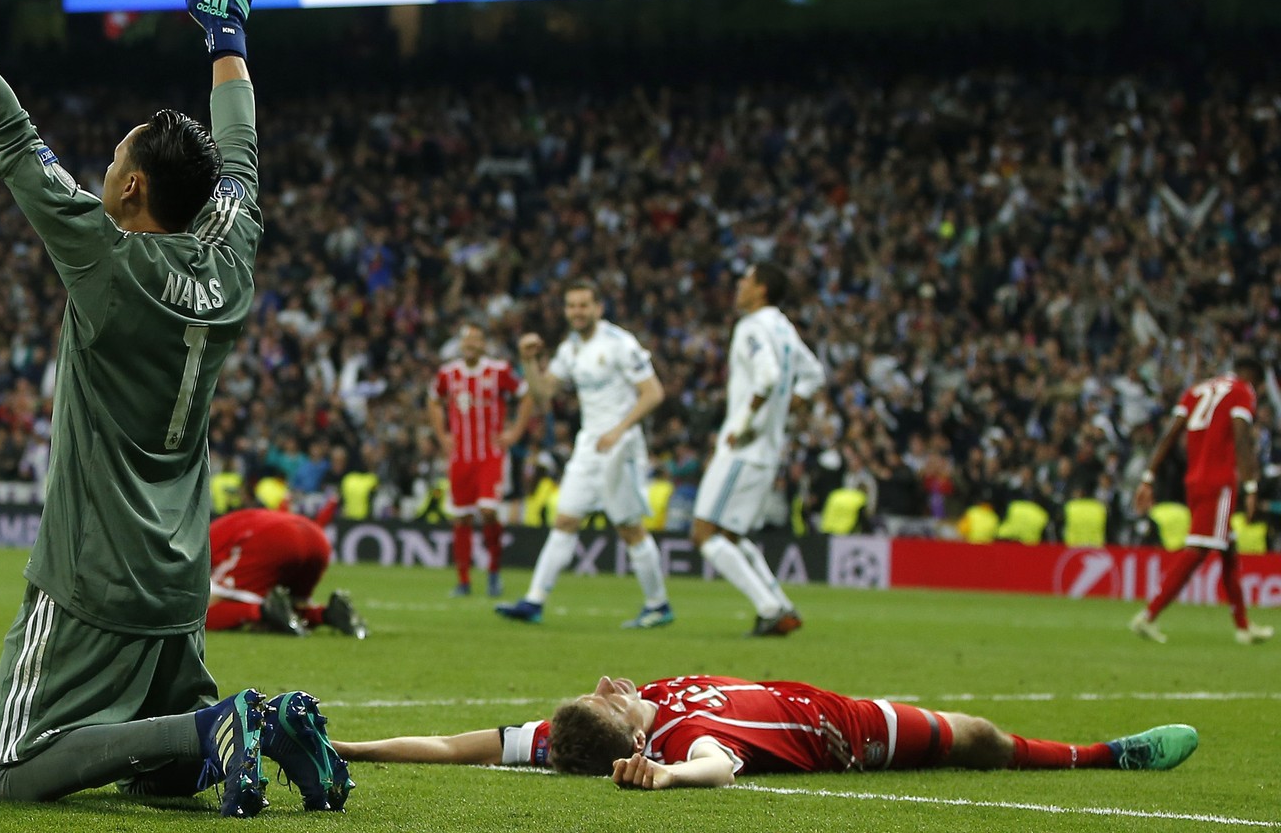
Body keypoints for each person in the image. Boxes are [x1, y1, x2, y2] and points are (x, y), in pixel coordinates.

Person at [0, 0, 349, 815]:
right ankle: (254, 722)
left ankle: (215, 728)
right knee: (159, 780)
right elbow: (239, 154)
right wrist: (227, 37)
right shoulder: (232, 258)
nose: (100, 168)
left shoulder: (104, 255)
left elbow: (8, 131)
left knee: (8, 773)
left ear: (128, 186)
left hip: (91, 572)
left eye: (112, 158)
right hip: (178, 576)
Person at [332, 674, 1199, 786]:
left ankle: (1102, 749)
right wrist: (667, 777)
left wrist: (351, 746)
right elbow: (720, 766)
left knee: (979, 732)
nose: (608, 683)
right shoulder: (674, 742)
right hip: (853, 733)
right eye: (609, 700)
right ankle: (1106, 755)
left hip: (831, 697)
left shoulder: (575, 730)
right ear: (627, 738)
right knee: (982, 738)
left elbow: (455, 746)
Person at [496, 281, 672, 628]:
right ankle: (533, 601)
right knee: (565, 519)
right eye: (571, 306)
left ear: (598, 308)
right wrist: (528, 361)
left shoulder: (620, 344)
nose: (577, 312)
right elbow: (544, 393)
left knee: (629, 527)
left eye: (583, 305)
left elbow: (653, 393)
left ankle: (658, 605)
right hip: (589, 444)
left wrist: (618, 430)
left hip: (620, 445)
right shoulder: (570, 349)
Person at [693, 263, 825, 637]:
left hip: (744, 448)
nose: (739, 285)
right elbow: (814, 374)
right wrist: (783, 411)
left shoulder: (752, 327)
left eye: (747, 280)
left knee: (705, 533)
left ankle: (768, 608)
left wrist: (743, 424)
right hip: (768, 449)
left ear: (762, 289)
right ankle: (781, 606)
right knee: (732, 536)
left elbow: (767, 377)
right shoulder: (783, 327)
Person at [1130, 355, 1274, 645]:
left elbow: (1170, 433)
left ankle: (1243, 627)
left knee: (1228, 552)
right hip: (1219, 481)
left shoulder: (1197, 390)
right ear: (1254, 379)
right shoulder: (1242, 391)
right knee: (1197, 550)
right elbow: (1241, 434)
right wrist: (1250, 485)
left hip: (1194, 480)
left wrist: (1148, 476)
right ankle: (1148, 615)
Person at [429, 321, 532, 597]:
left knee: (488, 511)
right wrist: (442, 434)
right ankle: (463, 580)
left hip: (490, 455)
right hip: (460, 457)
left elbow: (525, 396)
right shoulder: (448, 374)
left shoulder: (498, 371)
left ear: (484, 344)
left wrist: (514, 432)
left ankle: (494, 572)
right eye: (467, 340)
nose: (471, 345)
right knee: (461, 518)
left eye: (476, 340)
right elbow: (433, 400)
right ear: (461, 344)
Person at [209, 506, 368, 638]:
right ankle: (328, 614)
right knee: (293, 605)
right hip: (316, 537)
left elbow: (210, 598)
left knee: (197, 614)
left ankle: (263, 611)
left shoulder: (203, 541)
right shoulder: (224, 524)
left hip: (274, 538)